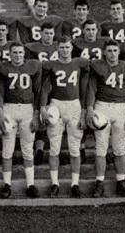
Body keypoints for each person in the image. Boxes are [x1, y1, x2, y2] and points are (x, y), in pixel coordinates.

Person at [86, 40, 125, 198]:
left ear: (119, 52)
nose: (112, 53)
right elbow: (92, 89)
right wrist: (90, 109)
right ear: (104, 52)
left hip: (120, 108)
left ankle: (121, 183)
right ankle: (99, 183)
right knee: (101, 148)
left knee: (119, 149)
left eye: (115, 50)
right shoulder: (98, 67)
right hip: (102, 107)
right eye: (109, 50)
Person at [39, 36, 90, 198]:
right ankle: (55, 183)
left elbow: (83, 88)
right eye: (62, 47)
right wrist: (43, 107)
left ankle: (75, 183)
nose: (65, 50)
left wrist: (83, 111)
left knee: (74, 149)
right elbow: (46, 88)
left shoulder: (79, 63)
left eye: (67, 47)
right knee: (54, 148)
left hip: (74, 105)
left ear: (71, 48)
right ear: (57, 48)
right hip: (56, 105)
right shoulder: (51, 65)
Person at [0, 43, 41, 198]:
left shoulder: (33, 66)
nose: (18, 55)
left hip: (27, 108)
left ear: (24, 54)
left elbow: (37, 92)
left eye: (20, 52)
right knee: (7, 148)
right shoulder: (3, 68)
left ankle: (30, 184)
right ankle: (7, 184)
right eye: (14, 52)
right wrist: (0, 112)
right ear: (10, 54)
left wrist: (36, 114)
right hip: (9, 108)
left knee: (28, 149)